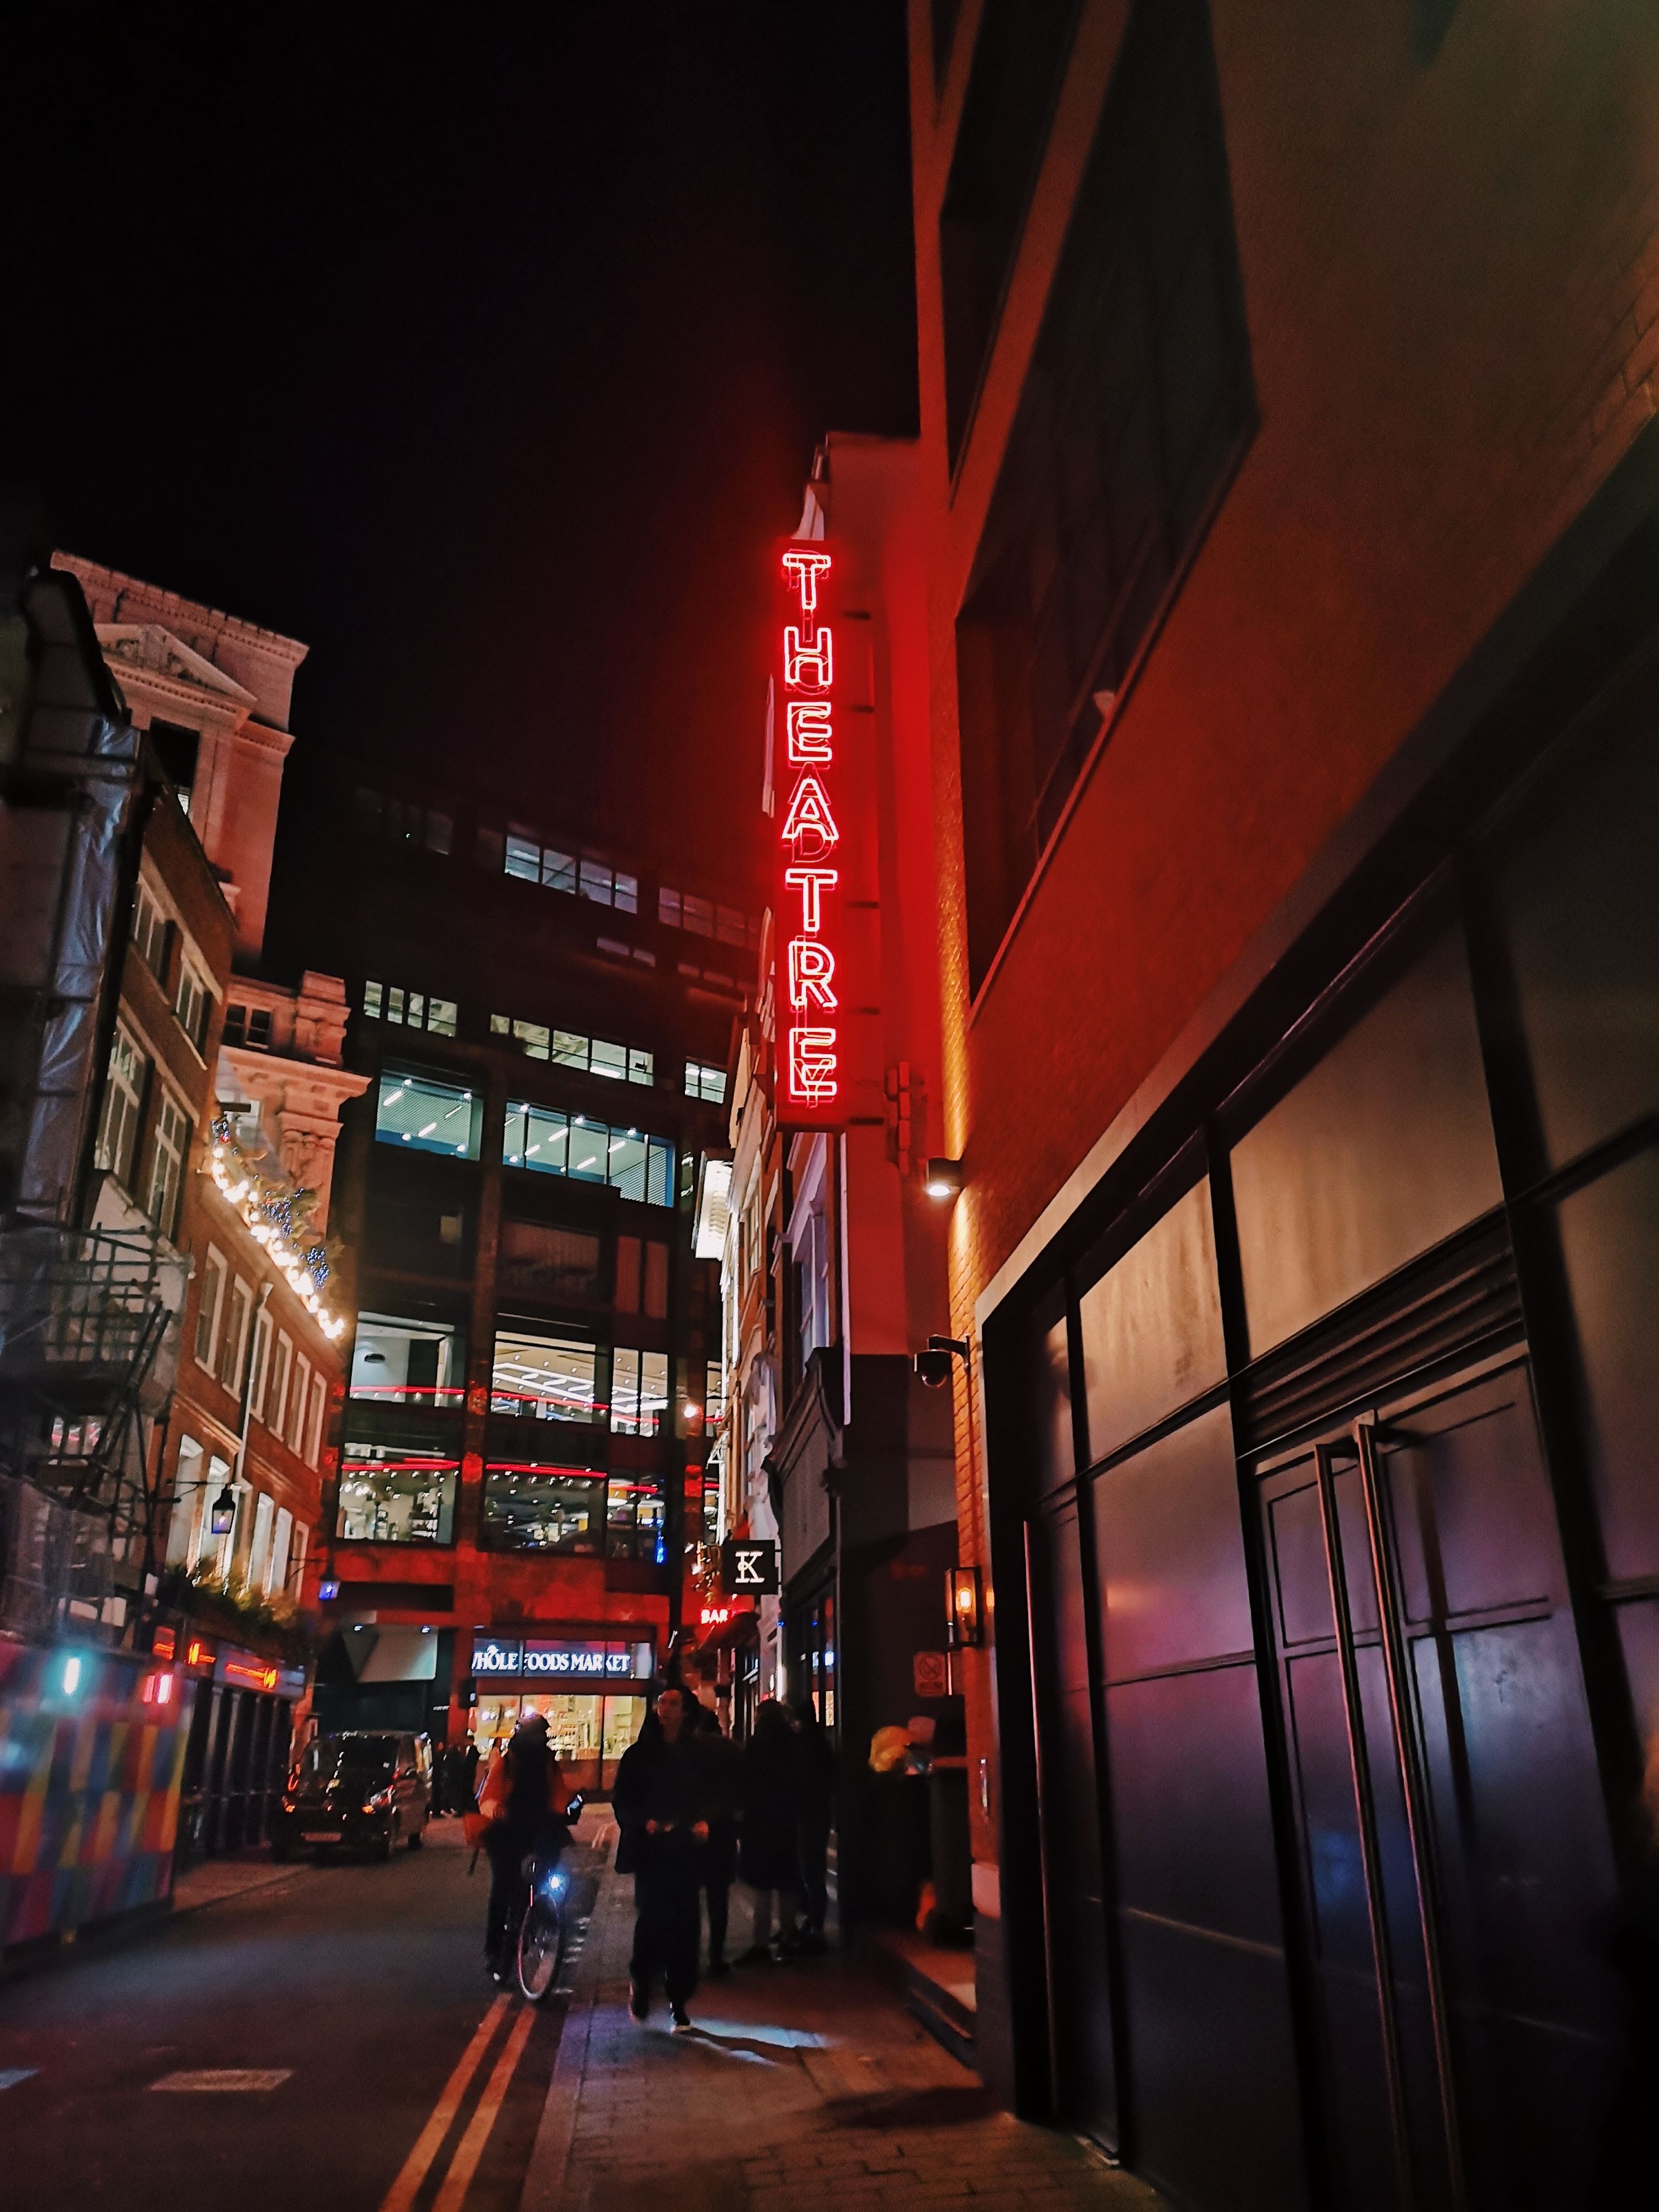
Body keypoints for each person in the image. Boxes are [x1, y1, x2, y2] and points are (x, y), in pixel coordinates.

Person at [612, 1684, 709, 2030]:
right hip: (653, 1852)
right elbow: (622, 1799)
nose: (665, 1708)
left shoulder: (696, 1753)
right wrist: (644, 1821)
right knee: (652, 1922)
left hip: (685, 1850)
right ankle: (641, 1980)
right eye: (662, 1702)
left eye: (673, 1703)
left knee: (686, 1926)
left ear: (684, 1711)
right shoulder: (639, 1755)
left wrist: (703, 1821)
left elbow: (708, 1794)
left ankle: (679, 2000)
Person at [480, 1713, 575, 1981]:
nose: (539, 1739)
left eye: (542, 1734)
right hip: (508, 1831)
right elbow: (490, 1795)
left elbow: (559, 1794)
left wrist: (568, 1808)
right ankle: (494, 1949)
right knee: (503, 1887)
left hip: (540, 1829)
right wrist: (496, 1810)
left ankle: (543, 1915)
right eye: (535, 1734)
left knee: (547, 1877)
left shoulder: (548, 1764)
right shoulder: (508, 1762)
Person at [735, 1697, 799, 1963]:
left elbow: (747, 1783)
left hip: (760, 1823)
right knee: (787, 1883)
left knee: (762, 1886)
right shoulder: (793, 1743)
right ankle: (788, 1937)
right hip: (786, 1822)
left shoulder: (756, 1744)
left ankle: (760, 1943)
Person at [691, 1699, 740, 1976]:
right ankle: (717, 1956)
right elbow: (743, 1787)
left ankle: (690, 1953)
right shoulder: (731, 1750)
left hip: (693, 1828)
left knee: (690, 1897)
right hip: (722, 1829)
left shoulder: (688, 1751)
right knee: (718, 1897)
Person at [788, 1698, 835, 1954]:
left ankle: (814, 1926)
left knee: (810, 1871)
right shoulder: (822, 1743)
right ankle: (813, 1924)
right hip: (820, 1814)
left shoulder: (802, 1745)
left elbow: (799, 1782)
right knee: (815, 1871)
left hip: (807, 1815)